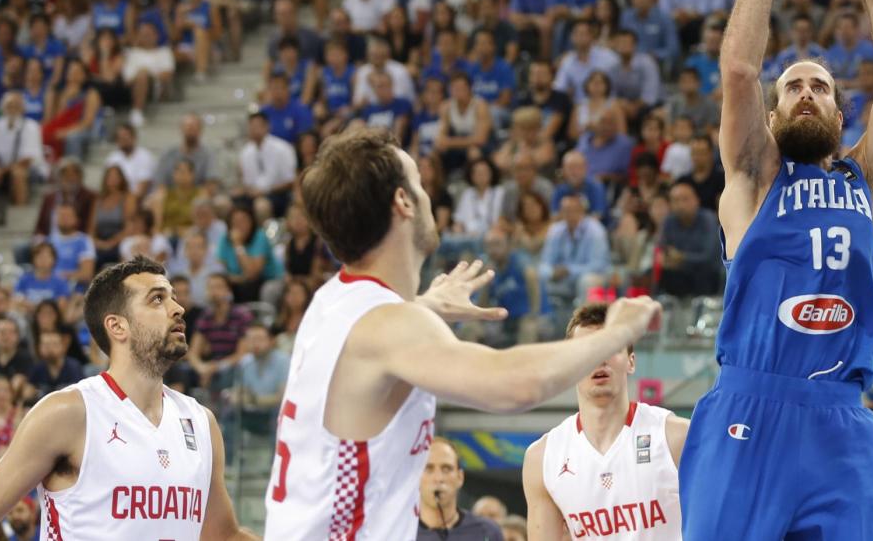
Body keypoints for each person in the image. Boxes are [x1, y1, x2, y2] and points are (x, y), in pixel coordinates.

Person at [678, 0, 873, 540]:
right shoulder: (753, 171)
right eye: (794, 86)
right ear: (775, 110)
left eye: (821, 86)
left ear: (842, 117)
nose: (808, 91)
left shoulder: (862, 177)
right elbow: (738, 67)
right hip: (751, 400)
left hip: (841, 417)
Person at [262, 126, 660, 538]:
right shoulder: (389, 325)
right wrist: (616, 332)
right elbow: (515, 386)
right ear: (403, 202)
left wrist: (425, 305)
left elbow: (370, 341)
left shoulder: (333, 304)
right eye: (418, 184)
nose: (428, 195)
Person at [0, 257, 255, 539]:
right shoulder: (69, 412)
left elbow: (224, 536)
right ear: (117, 326)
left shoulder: (201, 422)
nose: (178, 308)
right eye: (158, 299)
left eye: (173, 297)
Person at [522, 304, 686, 539]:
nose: (600, 359)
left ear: (631, 361)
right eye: (589, 350)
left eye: (609, 348)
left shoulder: (675, 436)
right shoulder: (542, 457)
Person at [417, 440, 504, 540]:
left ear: (460, 477)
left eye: (446, 469)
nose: (438, 478)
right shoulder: (400, 531)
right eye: (428, 468)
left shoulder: (487, 531)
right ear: (416, 477)